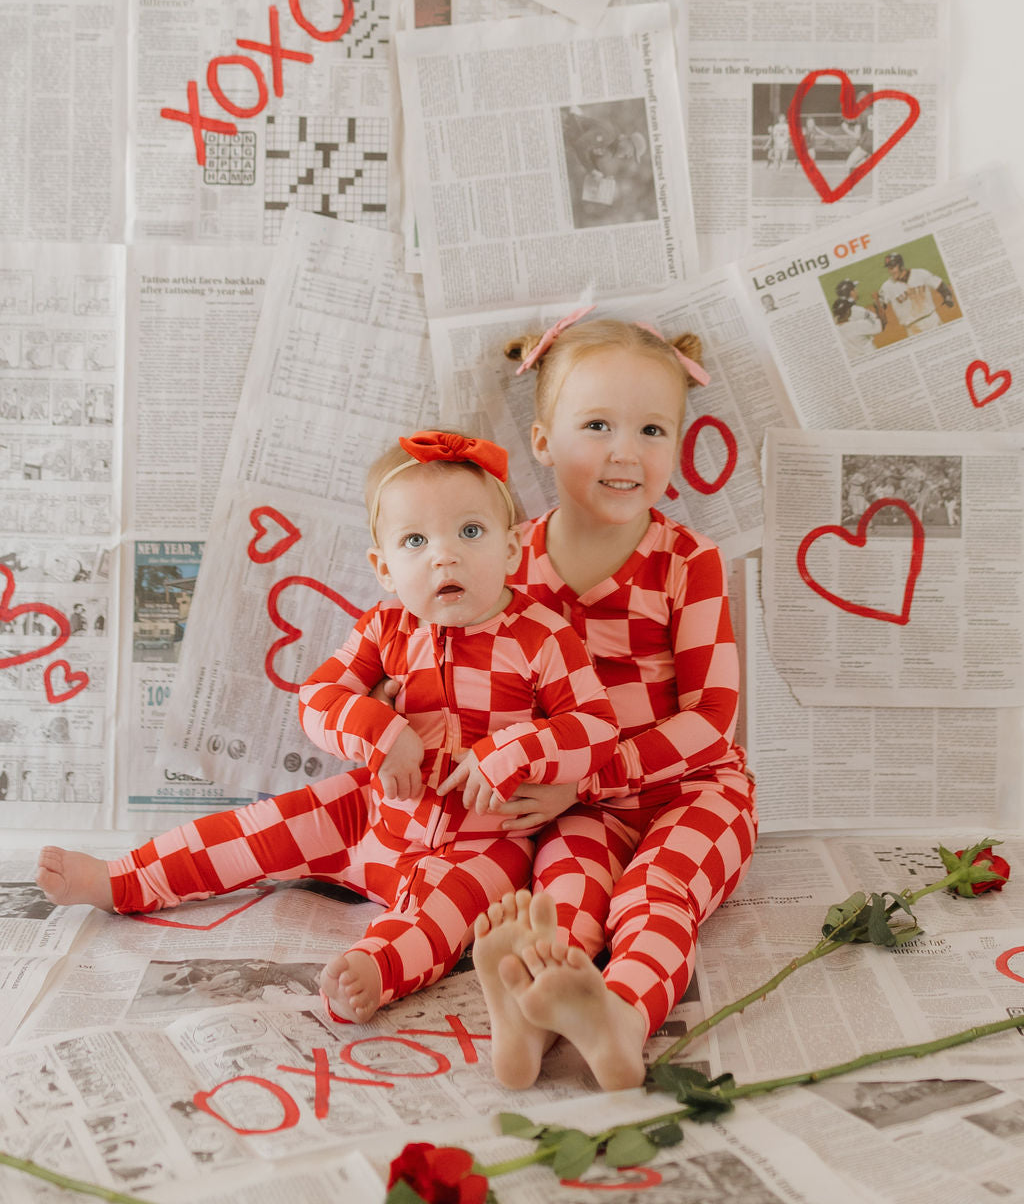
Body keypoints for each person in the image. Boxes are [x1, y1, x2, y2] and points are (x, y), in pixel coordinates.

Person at [36, 430, 617, 1026]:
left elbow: (596, 727)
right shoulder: (385, 627)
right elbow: (317, 697)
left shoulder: (542, 635)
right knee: (258, 830)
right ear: (384, 568)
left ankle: (375, 966)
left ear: (512, 548)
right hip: (371, 813)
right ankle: (122, 879)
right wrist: (381, 730)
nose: (444, 556)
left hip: (483, 838)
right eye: (415, 541)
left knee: (442, 912)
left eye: (470, 532)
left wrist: (512, 749)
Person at [471, 314, 757, 1091]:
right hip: (577, 807)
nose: (626, 451)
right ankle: (527, 1018)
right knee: (562, 904)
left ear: (676, 444)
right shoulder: (510, 563)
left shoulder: (688, 562)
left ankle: (621, 1021)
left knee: (656, 892)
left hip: (694, 788)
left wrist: (585, 782)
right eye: (597, 426)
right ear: (542, 441)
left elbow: (712, 720)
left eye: (651, 430)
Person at [874, 252, 955, 337]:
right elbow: (880, 305)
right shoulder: (887, 286)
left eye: (892, 268)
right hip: (913, 328)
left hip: (932, 320)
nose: (890, 271)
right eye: (889, 268)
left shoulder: (920, 273)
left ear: (901, 265)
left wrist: (947, 297)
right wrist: (878, 305)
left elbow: (940, 284)